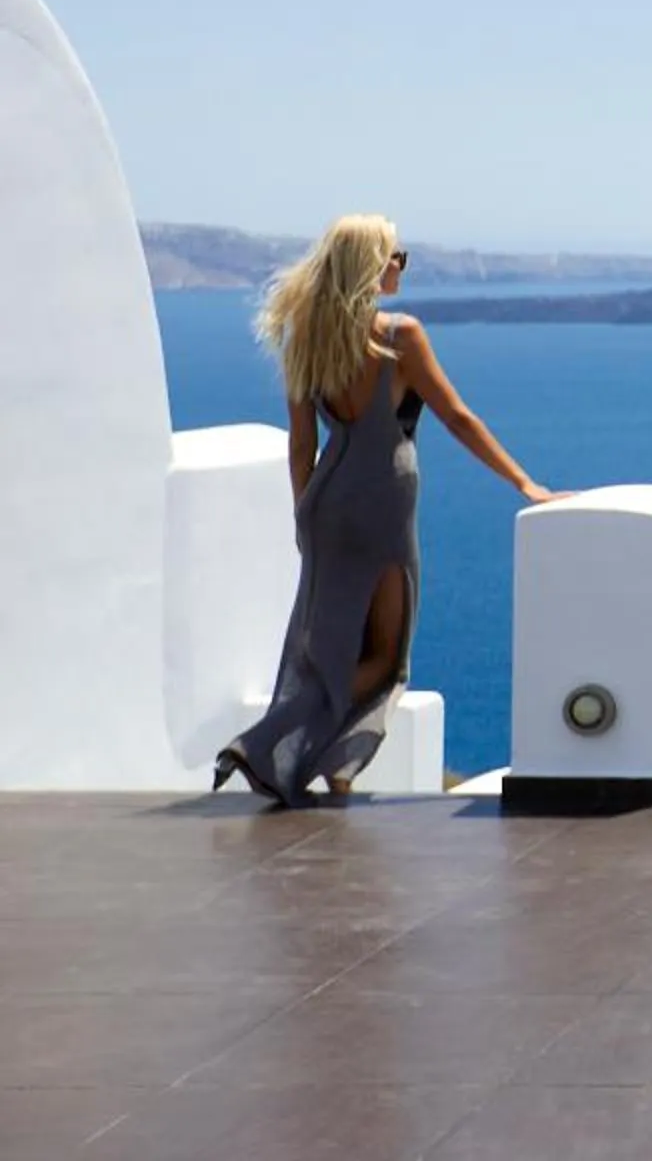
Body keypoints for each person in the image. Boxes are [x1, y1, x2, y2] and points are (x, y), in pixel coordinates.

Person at [215, 214, 560, 805]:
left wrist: (304, 515)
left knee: (327, 638)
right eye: (396, 254)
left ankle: (335, 766)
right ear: (371, 265)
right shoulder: (400, 335)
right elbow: (456, 416)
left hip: (325, 500)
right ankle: (269, 742)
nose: (401, 264)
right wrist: (524, 482)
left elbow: (302, 444)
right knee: (386, 654)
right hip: (383, 502)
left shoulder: (306, 336)